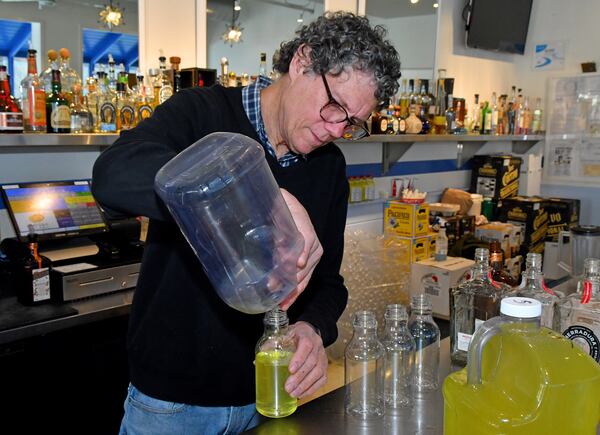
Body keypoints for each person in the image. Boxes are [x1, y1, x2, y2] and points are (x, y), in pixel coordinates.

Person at [92, 11, 400, 435]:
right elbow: (112, 175)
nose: (335, 129)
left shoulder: (328, 168)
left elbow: (327, 282)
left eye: (352, 123)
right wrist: (265, 196)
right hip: (172, 406)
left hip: (269, 398)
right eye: (335, 107)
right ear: (302, 62)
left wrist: (312, 329)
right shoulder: (201, 114)